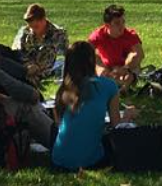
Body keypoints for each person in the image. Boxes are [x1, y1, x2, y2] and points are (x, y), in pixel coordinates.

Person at [51, 40, 129, 170]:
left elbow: (59, 123)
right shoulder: (108, 85)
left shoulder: (64, 89)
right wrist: (127, 116)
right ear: (92, 60)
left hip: (58, 159)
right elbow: (117, 127)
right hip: (89, 161)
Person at [88, 4, 144, 89]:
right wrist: (100, 66)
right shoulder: (98, 35)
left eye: (123, 22)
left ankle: (123, 88)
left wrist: (125, 68)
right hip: (107, 67)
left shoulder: (130, 34)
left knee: (131, 68)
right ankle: (115, 85)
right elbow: (86, 52)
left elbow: (140, 54)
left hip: (127, 67)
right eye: (117, 23)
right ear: (107, 25)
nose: (122, 26)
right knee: (99, 67)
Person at [12, 3, 69, 85]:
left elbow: (65, 54)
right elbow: (16, 51)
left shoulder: (59, 34)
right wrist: (28, 65)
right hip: (26, 68)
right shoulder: (24, 32)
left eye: (36, 26)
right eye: (29, 23)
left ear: (43, 19)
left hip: (47, 70)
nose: (32, 28)